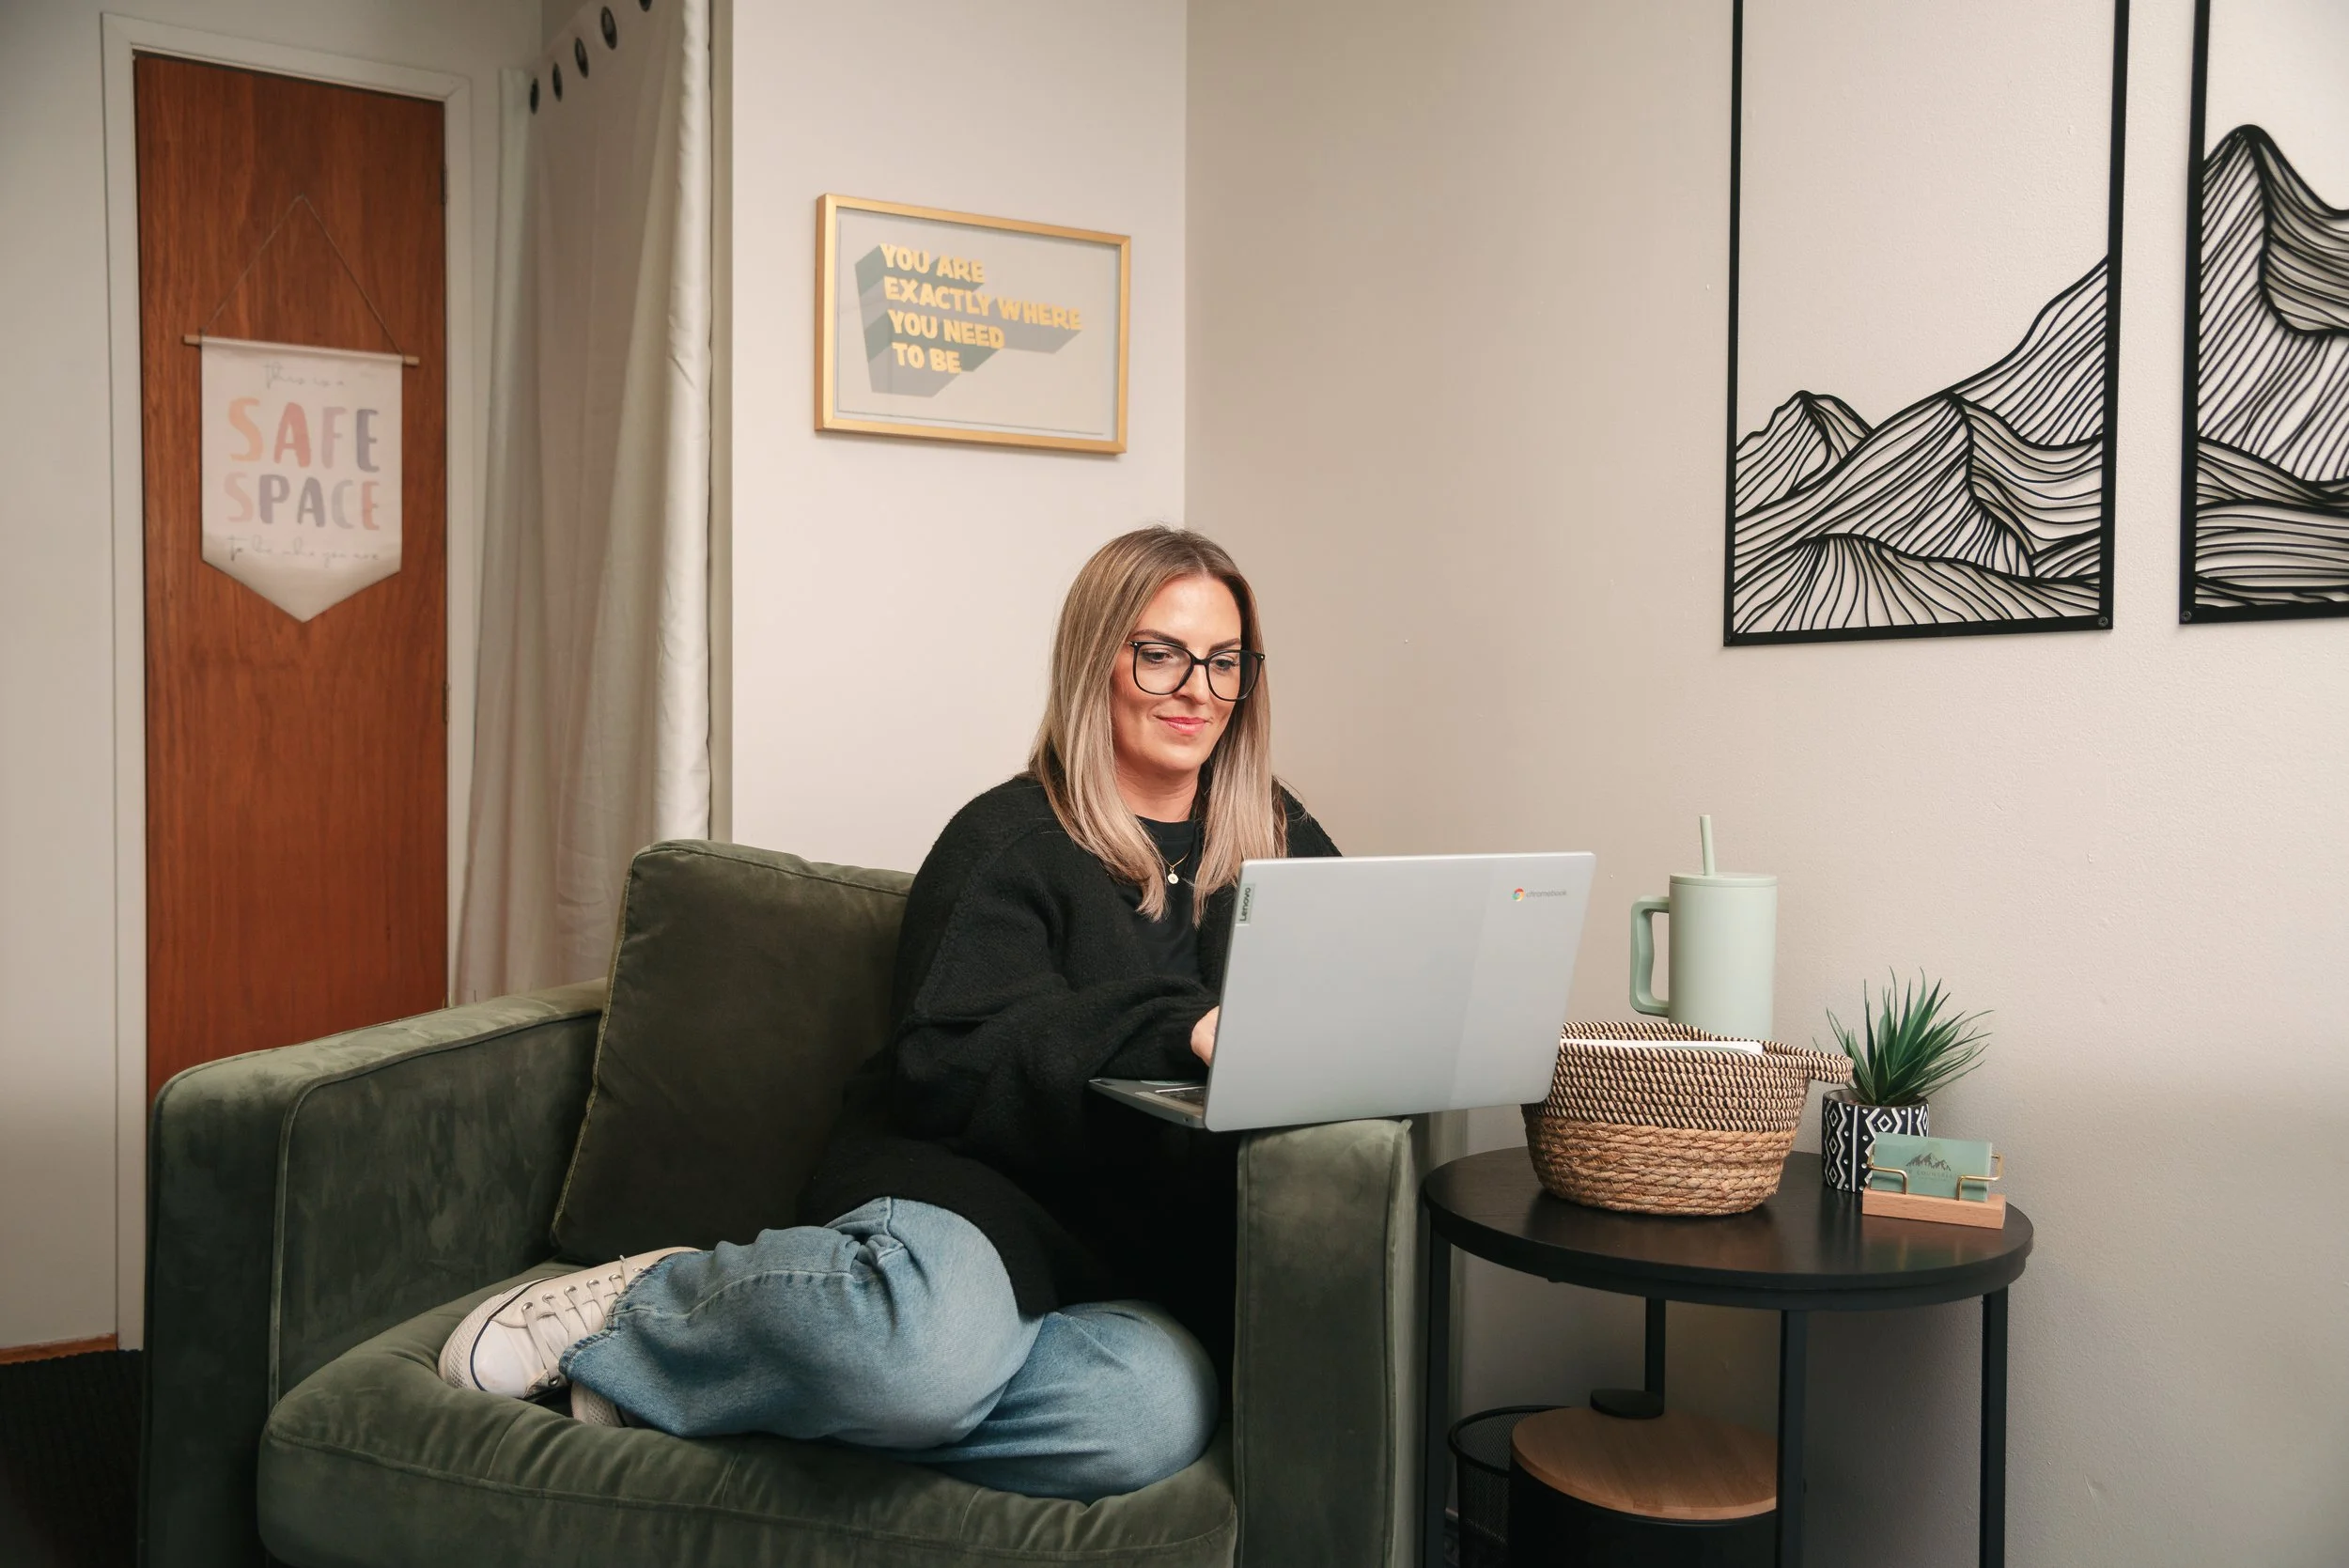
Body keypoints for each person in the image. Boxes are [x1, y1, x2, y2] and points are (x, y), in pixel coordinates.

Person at [440, 526, 1339, 1502]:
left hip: (1128, 1258)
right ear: (1096, 660)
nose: (1195, 688)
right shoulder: (1004, 838)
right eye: (1160, 652)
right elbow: (949, 1063)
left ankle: (745, 1382)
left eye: (1224, 660)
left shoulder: (1281, 840)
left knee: (1140, 1421)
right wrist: (1179, 1027)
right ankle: (649, 1311)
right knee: (920, 1360)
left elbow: (1348, 1004)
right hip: (972, 1199)